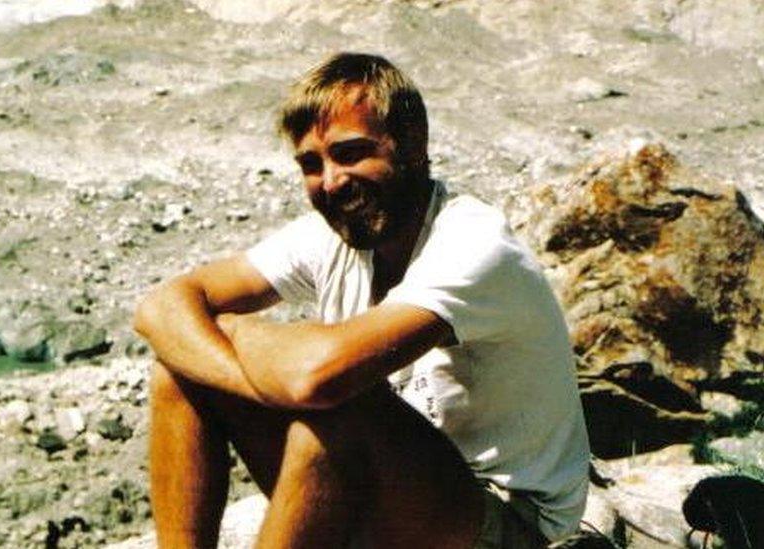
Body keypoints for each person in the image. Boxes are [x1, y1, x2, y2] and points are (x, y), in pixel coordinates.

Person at [134, 52, 590, 549]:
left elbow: (317, 379)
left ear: (413, 146)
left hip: (506, 524)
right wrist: (237, 367)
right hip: (395, 496)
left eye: (350, 154)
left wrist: (238, 330)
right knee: (179, 373)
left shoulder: (475, 244)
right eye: (311, 164)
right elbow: (161, 306)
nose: (331, 182)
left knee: (336, 419)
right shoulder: (330, 236)